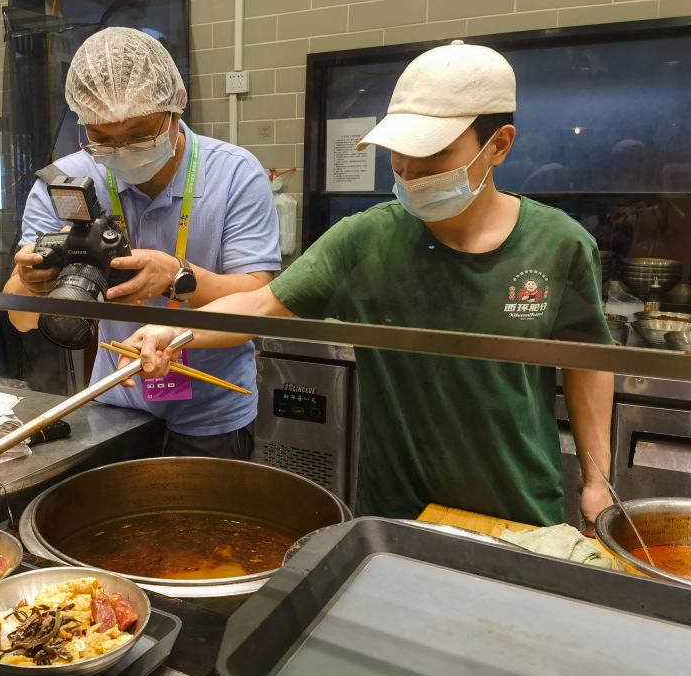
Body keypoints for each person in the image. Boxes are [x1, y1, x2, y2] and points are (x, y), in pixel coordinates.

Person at [122, 41, 615, 530]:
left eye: (433, 154)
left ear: (499, 145)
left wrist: (597, 478)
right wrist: (173, 333)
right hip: (397, 509)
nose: (410, 172)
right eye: (398, 153)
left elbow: (588, 362)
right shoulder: (365, 238)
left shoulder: (559, 244)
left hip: (519, 507)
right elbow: (260, 305)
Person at [5, 27, 280, 459]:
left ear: (176, 106)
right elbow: (20, 319)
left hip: (212, 410)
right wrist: (30, 283)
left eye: (140, 134)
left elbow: (260, 303)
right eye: (102, 138)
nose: (122, 150)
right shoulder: (64, 182)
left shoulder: (234, 174)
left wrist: (177, 276)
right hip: (116, 401)